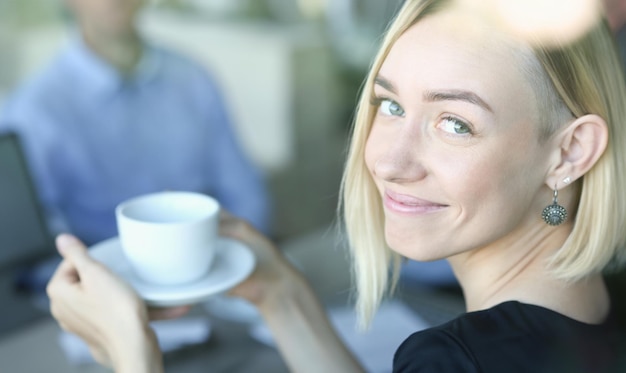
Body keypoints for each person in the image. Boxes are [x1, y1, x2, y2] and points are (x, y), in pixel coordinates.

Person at [46, 0, 626, 371]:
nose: (390, 161)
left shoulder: (455, 359)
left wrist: (128, 355)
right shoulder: (598, 306)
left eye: (455, 123)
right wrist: (282, 295)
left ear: (570, 152)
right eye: (390, 104)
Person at [0, 0, 270, 247]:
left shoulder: (193, 79)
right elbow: (35, 241)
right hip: (102, 286)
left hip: (216, 271)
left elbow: (244, 193)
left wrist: (238, 261)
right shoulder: (31, 111)